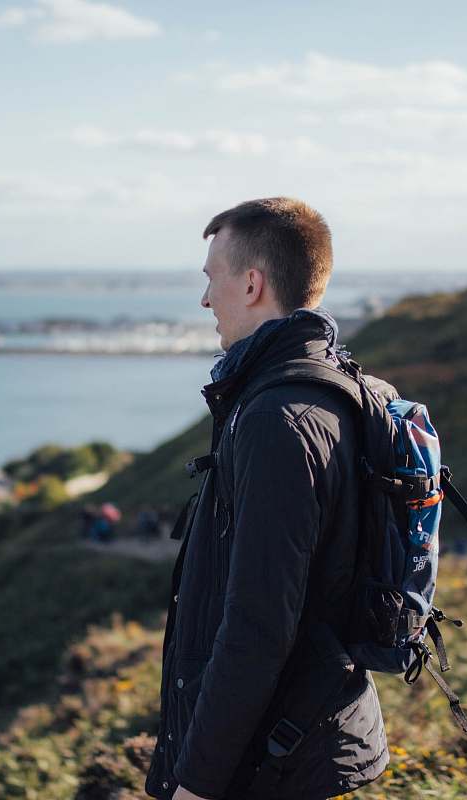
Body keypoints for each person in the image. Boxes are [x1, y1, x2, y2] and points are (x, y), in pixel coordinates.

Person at [145, 198, 388, 800]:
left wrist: (196, 783)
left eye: (211, 280)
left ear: (252, 283)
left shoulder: (278, 420)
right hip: (309, 736)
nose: (205, 301)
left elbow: (257, 627)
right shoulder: (334, 388)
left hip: (276, 763)